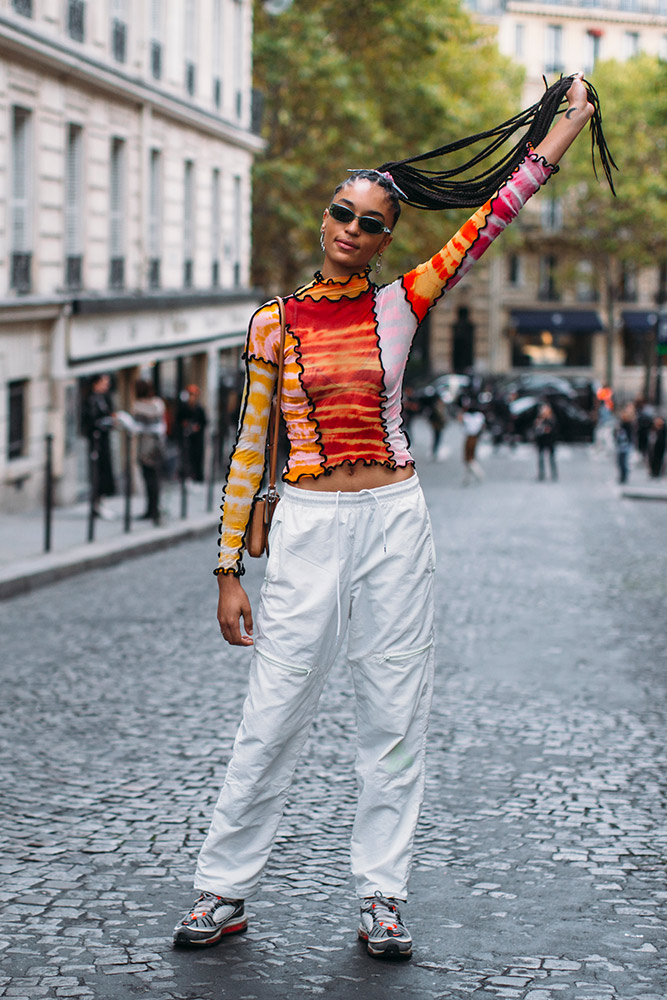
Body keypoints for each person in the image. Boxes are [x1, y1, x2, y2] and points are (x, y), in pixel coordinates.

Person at [173, 75, 601, 960]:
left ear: (385, 237)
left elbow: (495, 214)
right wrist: (226, 569)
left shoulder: (401, 303)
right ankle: (223, 887)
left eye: (371, 222)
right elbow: (250, 447)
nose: (351, 230)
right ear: (323, 217)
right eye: (342, 212)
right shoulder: (272, 324)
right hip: (305, 527)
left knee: (394, 713)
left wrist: (567, 126)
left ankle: (382, 896)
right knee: (274, 709)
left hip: (394, 519)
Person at [82, 373, 116, 519]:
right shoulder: (90, 400)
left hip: (104, 441)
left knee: (105, 472)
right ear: (96, 383)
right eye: (104, 382)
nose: (106, 385)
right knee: (97, 473)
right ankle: (96, 505)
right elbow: (87, 422)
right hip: (96, 442)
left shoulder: (105, 398)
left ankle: (102, 502)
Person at [133, 379, 167, 524]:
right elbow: (162, 425)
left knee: (148, 477)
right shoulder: (158, 404)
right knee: (155, 477)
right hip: (158, 444)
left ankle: (151, 509)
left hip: (146, 445)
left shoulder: (139, 406)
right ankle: (155, 509)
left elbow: (138, 427)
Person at [177, 384, 208, 483]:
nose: (192, 398)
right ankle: (186, 475)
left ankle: (198, 477)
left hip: (197, 439)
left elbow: (204, 422)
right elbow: (178, 420)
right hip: (186, 437)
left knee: (197, 457)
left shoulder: (199, 409)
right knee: (186, 457)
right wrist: (184, 424)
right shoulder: (183, 408)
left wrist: (197, 427)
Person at [459, 400, 486, 485]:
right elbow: (482, 426)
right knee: (471, 457)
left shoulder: (467, 417)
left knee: (468, 458)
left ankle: (479, 473)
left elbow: (462, 424)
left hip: (469, 437)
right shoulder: (479, 416)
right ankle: (467, 477)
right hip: (476, 437)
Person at [533, 402, 558, 481]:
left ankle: (554, 473)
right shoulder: (539, 419)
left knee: (551, 458)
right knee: (541, 458)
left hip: (550, 441)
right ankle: (541, 474)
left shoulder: (552, 419)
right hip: (541, 441)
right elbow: (536, 430)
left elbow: (552, 430)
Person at [614, 403, 636, 485]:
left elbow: (628, 435)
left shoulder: (628, 424)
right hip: (621, 445)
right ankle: (622, 476)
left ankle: (624, 476)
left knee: (623, 461)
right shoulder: (622, 424)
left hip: (625, 445)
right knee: (620, 461)